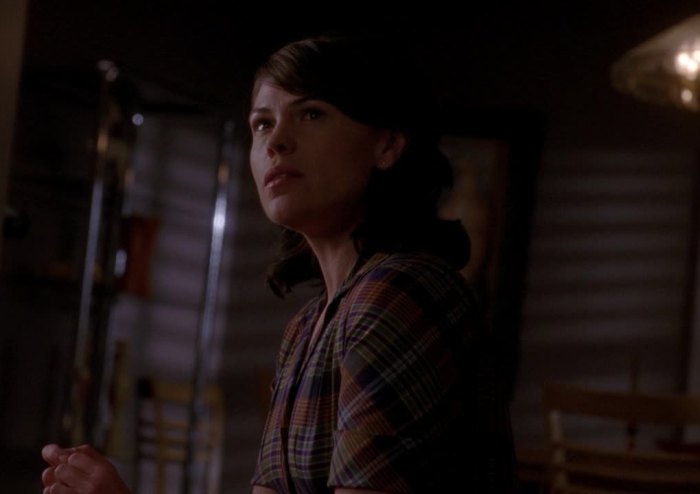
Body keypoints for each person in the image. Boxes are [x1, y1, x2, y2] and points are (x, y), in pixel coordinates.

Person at [41, 33, 515, 493]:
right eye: (263, 124)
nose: (277, 141)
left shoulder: (399, 293)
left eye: (312, 113)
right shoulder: (305, 330)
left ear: (387, 145)